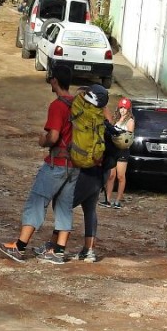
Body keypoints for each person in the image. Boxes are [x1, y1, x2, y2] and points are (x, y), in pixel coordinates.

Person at [0, 64, 83, 265]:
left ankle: (19, 246)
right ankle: (58, 251)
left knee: (37, 201)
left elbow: (53, 137)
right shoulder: (78, 105)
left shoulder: (58, 105)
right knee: (64, 206)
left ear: (54, 81)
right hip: (75, 165)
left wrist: (42, 141)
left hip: (57, 164)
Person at [35, 85, 113, 263]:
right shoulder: (102, 117)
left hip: (84, 170)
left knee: (64, 206)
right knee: (90, 210)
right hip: (101, 171)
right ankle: (88, 250)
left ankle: (55, 247)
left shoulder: (84, 115)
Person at [103, 97, 134, 208]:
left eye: (124, 108)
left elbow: (128, 138)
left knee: (120, 176)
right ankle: (107, 199)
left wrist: (117, 136)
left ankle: (118, 200)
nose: (122, 110)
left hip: (122, 151)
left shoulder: (130, 121)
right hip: (113, 150)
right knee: (111, 175)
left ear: (128, 109)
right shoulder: (116, 120)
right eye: (121, 107)